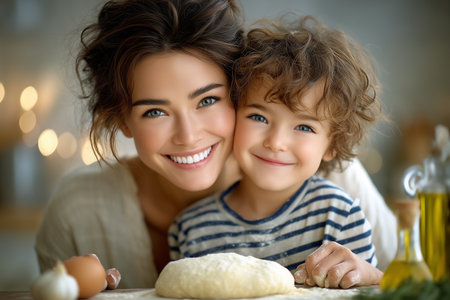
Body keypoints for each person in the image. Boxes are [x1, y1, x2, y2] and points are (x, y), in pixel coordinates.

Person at [35, 0, 394, 289]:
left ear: (238, 92)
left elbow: (419, 283)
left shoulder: (331, 176)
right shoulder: (76, 214)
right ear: (122, 119)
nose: (188, 135)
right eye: (155, 111)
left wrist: (371, 276)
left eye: (207, 100)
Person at [168, 15, 384, 288]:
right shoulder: (191, 229)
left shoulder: (340, 217)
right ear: (233, 116)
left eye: (304, 127)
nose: (276, 142)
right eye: (259, 118)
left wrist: (369, 279)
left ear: (332, 144)